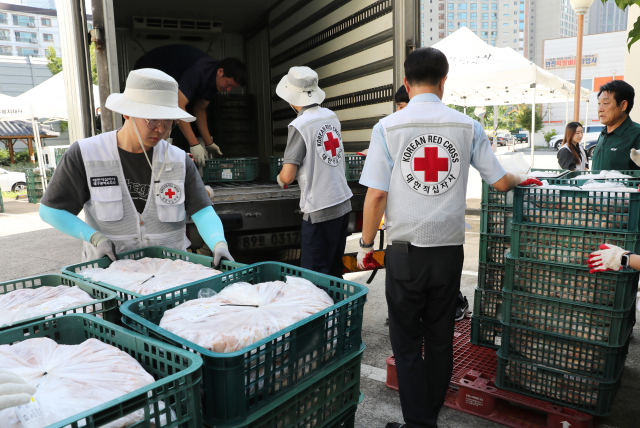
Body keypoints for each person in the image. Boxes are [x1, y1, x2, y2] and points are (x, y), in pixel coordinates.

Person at [355, 47, 541, 428]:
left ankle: (419, 423)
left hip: (405, 255)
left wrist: (365, 246)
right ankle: (428, 418)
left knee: (406, 344)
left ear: (405, 84)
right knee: (440, 338)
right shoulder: (466, 126)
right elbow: (501, 180)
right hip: (449, 254)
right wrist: (525, 179)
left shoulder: (387, 127)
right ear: (444, 82)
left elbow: (375, 195)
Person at [39, 69, 234, 266]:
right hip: (111, 276)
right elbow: (51, 211)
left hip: (172, 276)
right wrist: (95, 238)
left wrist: (219, 243)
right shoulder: (86, 154)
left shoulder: (179, 159)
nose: (160, 129)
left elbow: (203, 211)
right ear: (127, 113)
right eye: (152, 120)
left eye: (168, 122)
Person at [275, 66, 353, 278]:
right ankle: (339, 310)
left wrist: (280, 177)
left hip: (319, 210)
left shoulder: (299, 125)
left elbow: (288, 176)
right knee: (334, 272)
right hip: (342, 203)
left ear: (291, 97)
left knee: (315, 279)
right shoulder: (331, 116)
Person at [133, 44, 248, 168]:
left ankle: (159, 159)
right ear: (220, 72)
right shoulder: (199, 71)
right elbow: (179, 106)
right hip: (148, 68)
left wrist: (209, 143)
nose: (229, 89)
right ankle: (147, 162)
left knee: (169, 118)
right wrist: (194, 144)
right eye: (229, 84)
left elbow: (200, 110)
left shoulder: (215, 83)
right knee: (162, 117)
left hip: (168, 80)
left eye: (233, 87)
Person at [591, 80, 640, 170]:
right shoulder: (603, 134)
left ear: (623, 105)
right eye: (599, 104)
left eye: (605, 103)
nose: (600, 109)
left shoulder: (637, 134)